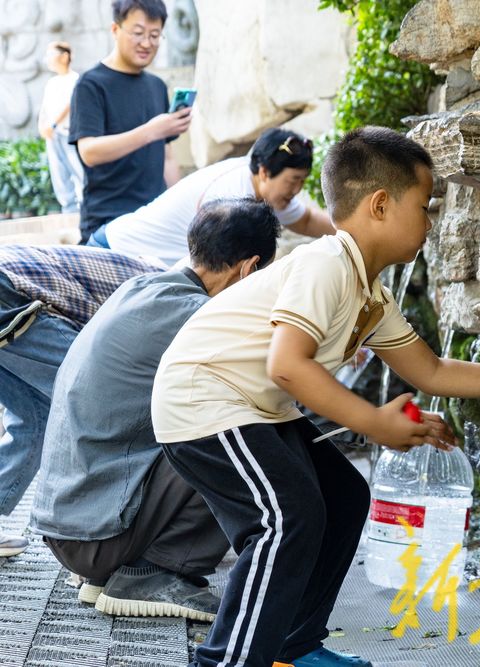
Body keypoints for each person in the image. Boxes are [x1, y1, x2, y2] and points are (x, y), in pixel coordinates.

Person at [151, 126, 480, 667]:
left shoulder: (369, 291)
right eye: (425, 205)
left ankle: (293, 648)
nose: (431, 221)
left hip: (253, 406)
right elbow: (287, 364)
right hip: (204, 399)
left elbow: (431, 371)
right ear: (381, 205)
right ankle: (227, 661)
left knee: (343, 497)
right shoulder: (326, 264)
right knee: (285, 519)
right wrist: (374, 422)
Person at [32, 198, 281, 623]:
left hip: (68, 526)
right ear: (249, 268)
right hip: (94, 537)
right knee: (241, 430)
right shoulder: (201, 318)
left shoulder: (142, 288)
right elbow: (275, 386)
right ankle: (156, 571)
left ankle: (124, 567)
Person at [0, 245, 159, 558]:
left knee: (38, 417)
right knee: (100, 401)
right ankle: (100, 539)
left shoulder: (146, 271)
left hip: (12, 291)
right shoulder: (168, 292)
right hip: (9, 293)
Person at [96, 128, 335, 266]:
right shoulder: (232, 198)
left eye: (302, 181)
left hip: (147, 266)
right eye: (293, 180)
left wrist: (357, 229)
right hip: (117, 252)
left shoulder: (269, 193)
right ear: (264, 172)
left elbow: (307, 220)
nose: (297, 190)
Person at [71, 0, 191, 243]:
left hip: (154, 221)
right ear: (115, 30)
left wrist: (181, 208)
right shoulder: (91, 84)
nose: (147, 43)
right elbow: (90, 152)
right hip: (107, 225)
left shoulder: (156, 86)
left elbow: (167, 156)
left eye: (155, 35)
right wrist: (150, 131)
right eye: (138, 33)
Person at [37, 41, 85, 214]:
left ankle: (83, 208)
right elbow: (44, 108)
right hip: (52, 135)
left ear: (65, 56)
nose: (47, 60)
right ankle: (69, 210)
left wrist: (54, 123)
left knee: (78, 171)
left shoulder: (75, 79)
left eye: (51, 55)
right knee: (59, 174)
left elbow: (70, 104)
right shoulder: (52, 82)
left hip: (69, 133)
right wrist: (42, 126)